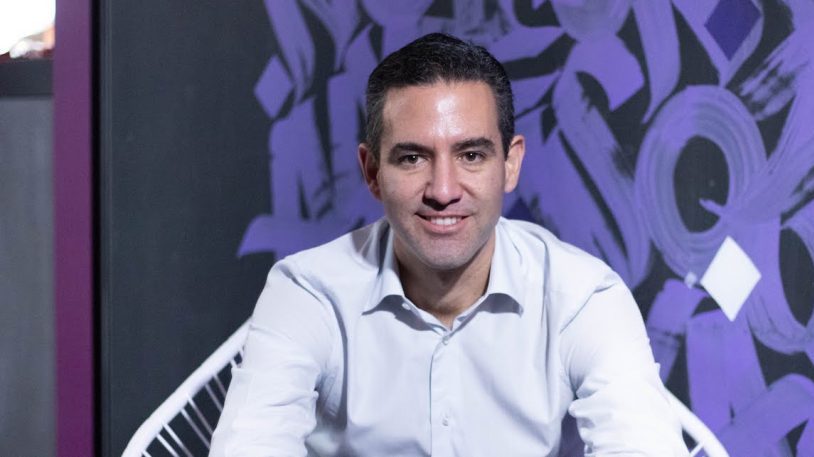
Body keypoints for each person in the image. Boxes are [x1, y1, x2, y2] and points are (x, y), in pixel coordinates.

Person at [210, 33, 686, 456]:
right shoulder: (309, 292)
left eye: (471, 155)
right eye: (413, 157)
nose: (443, 189)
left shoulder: (582, 298)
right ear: (372, 172)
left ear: (511, 163)